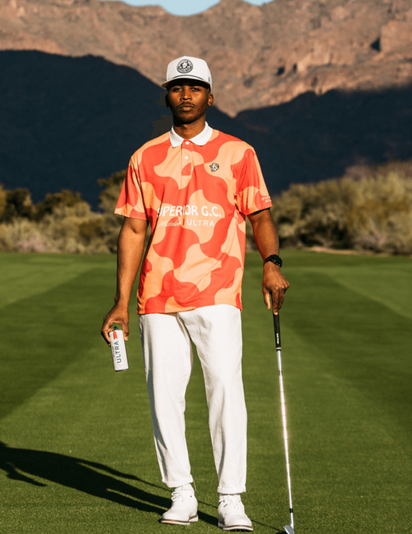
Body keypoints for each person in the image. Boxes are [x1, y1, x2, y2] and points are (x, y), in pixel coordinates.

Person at [101, 55, 289, 531]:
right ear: (166, 95)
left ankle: (231, 499)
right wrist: (122, 301)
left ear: (210, 96)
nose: (185, 95)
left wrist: (271, 265)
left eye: (195, 87)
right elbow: (132, 230)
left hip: (218, 291)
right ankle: (181, 493)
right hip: (157, 296)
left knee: (226, 391)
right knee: (164, 395)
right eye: (177, 87)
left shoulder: (239, 153)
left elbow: (260, 216)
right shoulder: (144, 157)